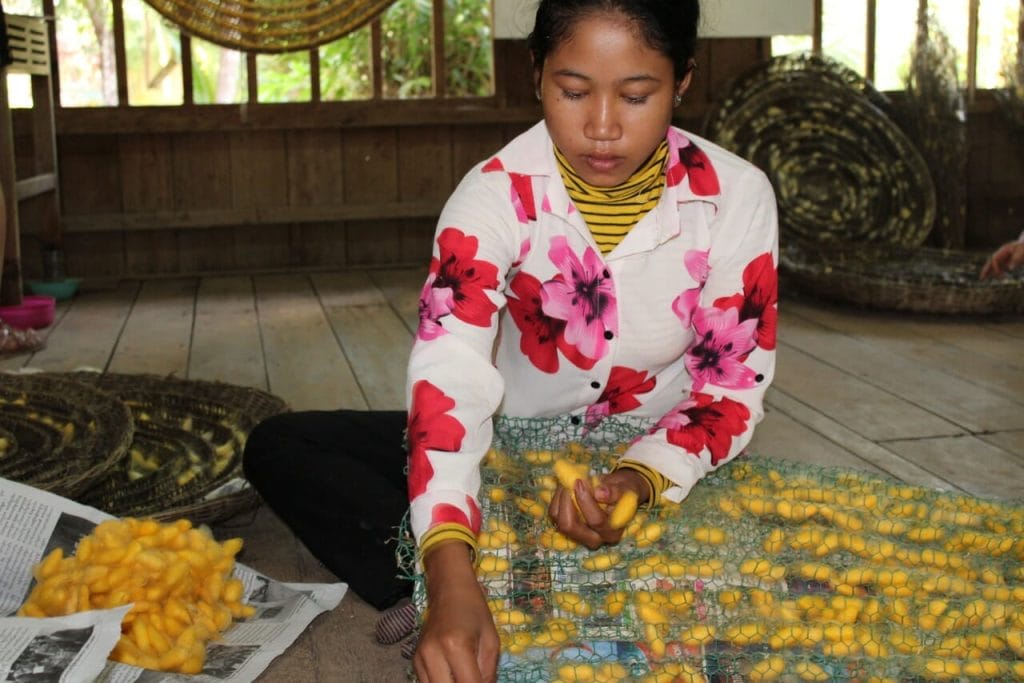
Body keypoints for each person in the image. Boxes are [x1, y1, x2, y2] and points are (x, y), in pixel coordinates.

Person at [243, 0, 778, 680]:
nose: (603, 126)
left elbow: (729, 389)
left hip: (656, 454)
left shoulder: (735, 198)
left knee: (739, 533)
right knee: (285, 445)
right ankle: (454, 584)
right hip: (511, 446)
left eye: (638, 95)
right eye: (573, 90)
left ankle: (497, 578)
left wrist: (636, 482)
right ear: (535, 75)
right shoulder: (493, 197)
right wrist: (446, 570)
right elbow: (451, 375)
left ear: (684, 82)